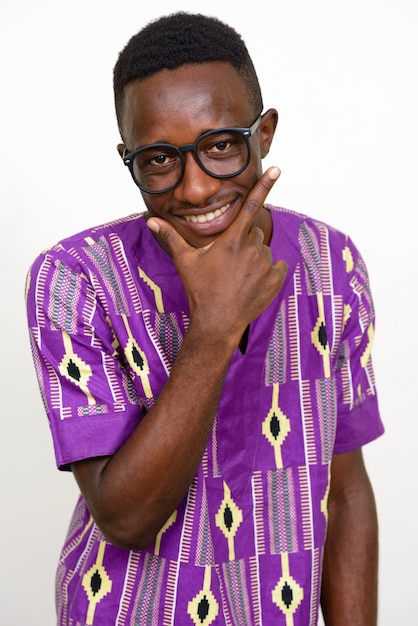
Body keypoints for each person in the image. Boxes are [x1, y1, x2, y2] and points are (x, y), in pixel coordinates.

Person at [25, 11, 384, 626]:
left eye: (220, 147)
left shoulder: (332, 263)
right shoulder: (74, 278)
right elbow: (126, 518)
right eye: (160, 159)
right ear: (129, 157)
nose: (193, 188)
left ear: (264, 134)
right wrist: (214, 329)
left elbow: (345, 488)